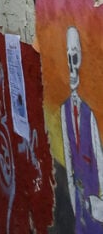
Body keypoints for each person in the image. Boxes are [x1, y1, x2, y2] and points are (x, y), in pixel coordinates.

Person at [60, 25, 103, 229]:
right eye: (68, 56)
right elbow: (69, 164)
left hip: (94, 203)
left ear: (81, 59)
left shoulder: (89, 114)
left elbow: (100, 164)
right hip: (79, 206)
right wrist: (75, 208)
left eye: (74, 56)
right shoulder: (64, 111)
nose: (71, 64)